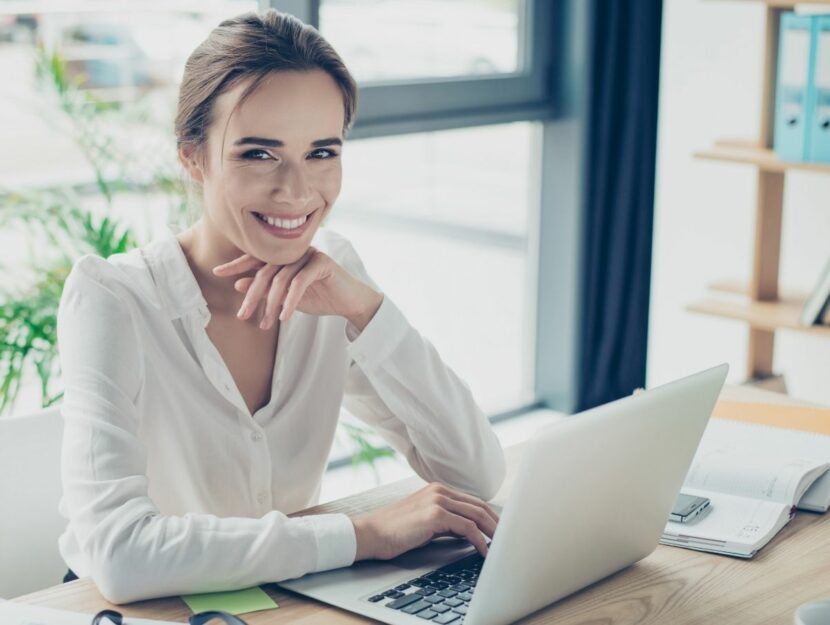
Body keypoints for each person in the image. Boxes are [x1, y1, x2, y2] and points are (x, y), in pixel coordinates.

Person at [56, 9, 506, 605]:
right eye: (259, 155)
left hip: (281, 601)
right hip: (144, 610)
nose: (296, 191)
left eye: (322, 152)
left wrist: (368, 312)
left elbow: (474, 474)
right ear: (192, 156)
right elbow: (119, 554)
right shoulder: (114, 298)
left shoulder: (331, 276)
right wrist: (362, 534)